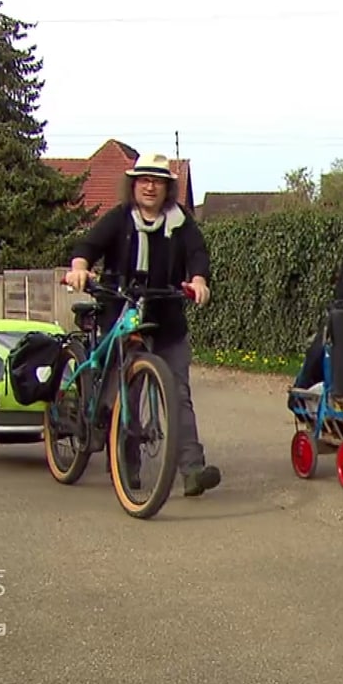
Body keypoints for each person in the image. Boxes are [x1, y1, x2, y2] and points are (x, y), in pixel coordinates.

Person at [63, 153, 221, 497]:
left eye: (158, 181)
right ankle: (126, 464)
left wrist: (198, 281)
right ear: (133, 185)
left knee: (178, 393)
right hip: (122, 314)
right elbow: (88, 246)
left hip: (166, 319)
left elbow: (198, 255)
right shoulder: (120, 219)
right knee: (127, 394)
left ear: (168, 188)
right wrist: (79, 266)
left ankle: (192, 469)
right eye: (144, 180)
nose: (150, 186)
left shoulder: (182, 222)